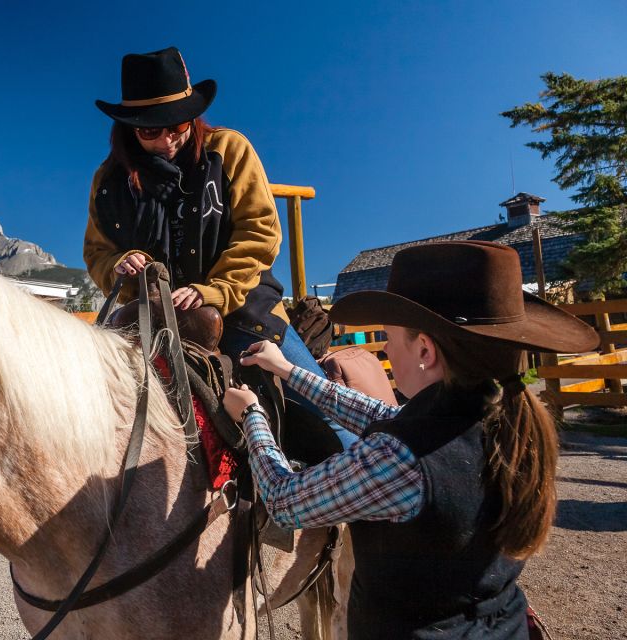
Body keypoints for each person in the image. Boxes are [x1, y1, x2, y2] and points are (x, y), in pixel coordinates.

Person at [224, 241, 599, 639]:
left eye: (389, 337)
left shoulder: (400, 458)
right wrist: (287, 371)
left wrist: (252, 417)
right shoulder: (501, 415)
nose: (384, 348)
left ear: (425, 350)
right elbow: (378, 413)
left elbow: (285, 501)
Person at [84, 46, 355, 446]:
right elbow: (97, 252)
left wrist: (213, 291)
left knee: (324, 407)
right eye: (150, 131)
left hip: (245, 311)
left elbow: (260, 231)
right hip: (153, 324)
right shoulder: (108, 181)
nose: (167, 139)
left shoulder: (228, 150)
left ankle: (374, 498)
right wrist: (120, 265)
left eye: (176, 125)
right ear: (129, 129)